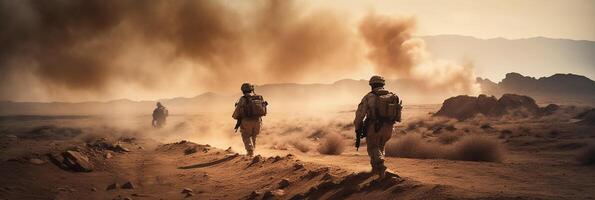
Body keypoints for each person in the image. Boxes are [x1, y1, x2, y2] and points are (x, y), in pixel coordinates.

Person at [354, 75, 402, 179]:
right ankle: (376, 170)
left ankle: (381, 168)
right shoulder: (393, 96)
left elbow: (360, 114)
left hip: (374, 127)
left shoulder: (369, 96)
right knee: (380, 147)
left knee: (373, 148)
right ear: (383, 84)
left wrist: (357, 127)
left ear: (371, 85)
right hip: (389, 128)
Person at [232, 83, 268, 157]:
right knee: (254, 137)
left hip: (246, 121)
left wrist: (235, 117)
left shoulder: (243, 99)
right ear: (251, 89)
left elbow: (237, 111)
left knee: (246, 136)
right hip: (258, 121)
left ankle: (250, 151)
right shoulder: (259, 97)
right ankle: (252, 151)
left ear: (243, 90)